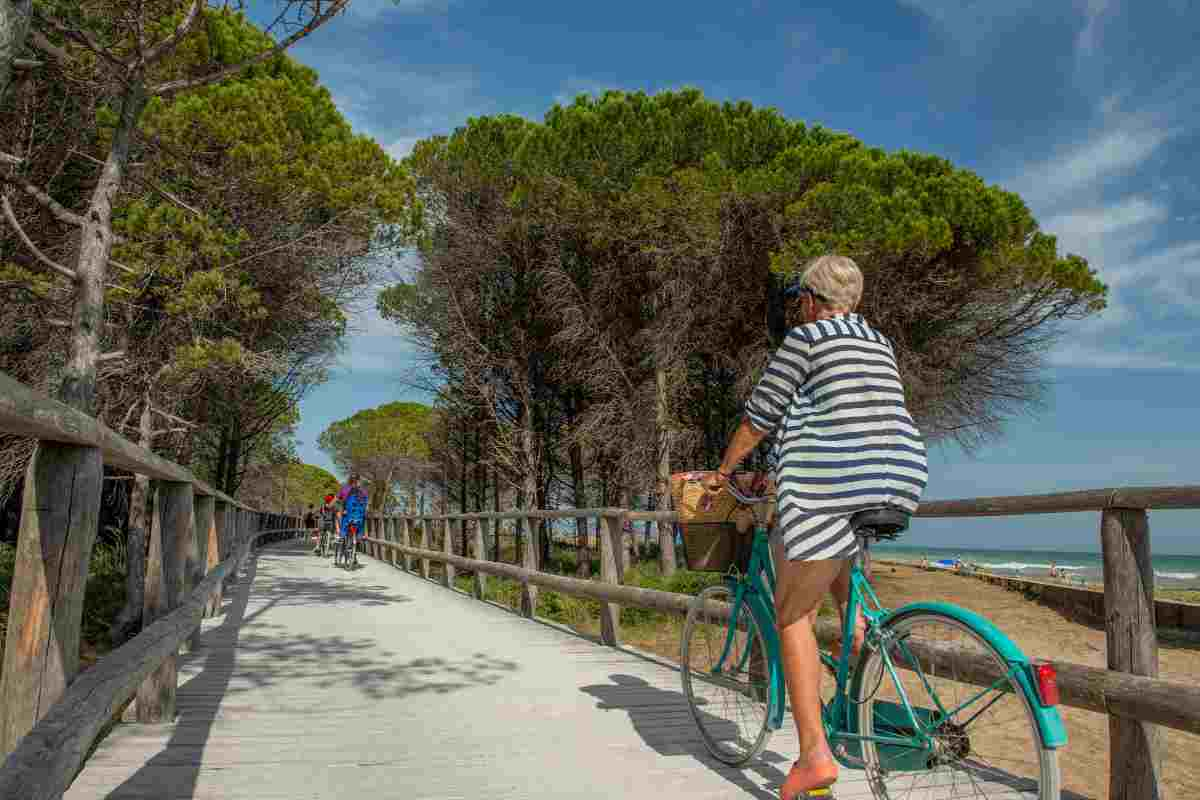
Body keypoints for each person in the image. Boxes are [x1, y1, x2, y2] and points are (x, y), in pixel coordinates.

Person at [702, 255, 928, 800]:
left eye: (798, 301)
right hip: (897, 477)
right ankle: (857, 646)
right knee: (835, 580)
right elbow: (842, 413)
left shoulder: (807, 338)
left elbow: (761, 415)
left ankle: (813, 755)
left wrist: (723, 471)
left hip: (831, 483)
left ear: (807, 300)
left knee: (791, 613)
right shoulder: (879, 343)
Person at [337, 474, 369, 561]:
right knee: (360, 523)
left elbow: (340, 500)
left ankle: (341, 535)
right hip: (354, 514)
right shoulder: (362, 490)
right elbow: (366, 505)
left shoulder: (346, 488)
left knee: (341, 519)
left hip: (350, 514)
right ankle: (362, 535)